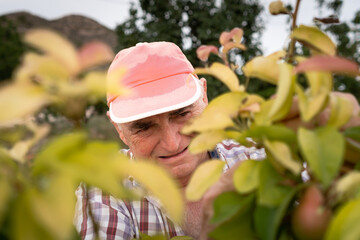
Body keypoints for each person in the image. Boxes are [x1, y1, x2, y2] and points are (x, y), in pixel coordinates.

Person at [73, 41, 265, 240]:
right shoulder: (106, 188)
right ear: (119, 129)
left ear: (204, 97)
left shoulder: (258, 157)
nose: (172, 143)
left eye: (182, 113)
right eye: (144, 127)